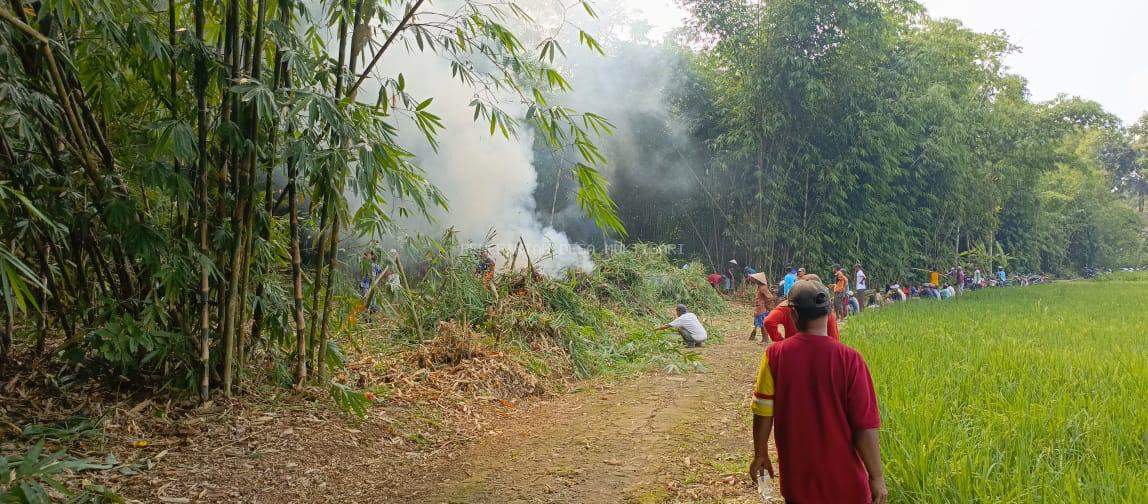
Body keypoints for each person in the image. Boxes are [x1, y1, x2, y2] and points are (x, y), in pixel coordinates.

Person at [749, 279, 887, 504]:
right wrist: (877, 477)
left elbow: (762, 412)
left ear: (793, 313)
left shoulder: (774, 356)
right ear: (830, 312)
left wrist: (761, 453)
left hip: (797, 485)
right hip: (847, 487)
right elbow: (864, 426)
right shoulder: (851, 359)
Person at [764, 274, 840, 342]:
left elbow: (769, 321)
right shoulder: (824, 309)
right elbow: (835, 340)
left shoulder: (788, 306)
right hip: (820, 351)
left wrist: (780, 341)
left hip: (792, 350)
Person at [747, 272, 777, 341]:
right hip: (759, 308)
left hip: (762, 309)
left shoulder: (763, 288)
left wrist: (764, 303)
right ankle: (764, 339)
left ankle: (765, 339)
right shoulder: (759, 287)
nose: (754, 280)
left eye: (755, 279)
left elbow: (770, 297)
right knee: (760, 323)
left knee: (762, 324)